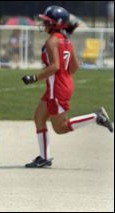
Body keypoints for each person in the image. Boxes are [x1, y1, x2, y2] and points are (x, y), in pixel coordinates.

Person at [21, 5, 113, 168]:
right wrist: (61, 73)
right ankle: (44, 157)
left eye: (48, 21)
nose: (45, 24)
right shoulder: (65, 41)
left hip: (57, 88)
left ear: (57, 24)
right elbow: (75, 67)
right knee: (39, 117)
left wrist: (34, 77)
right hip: (62, 85)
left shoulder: (52, 41)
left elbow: (55, 66)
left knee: (60, 128)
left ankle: (95, 117)